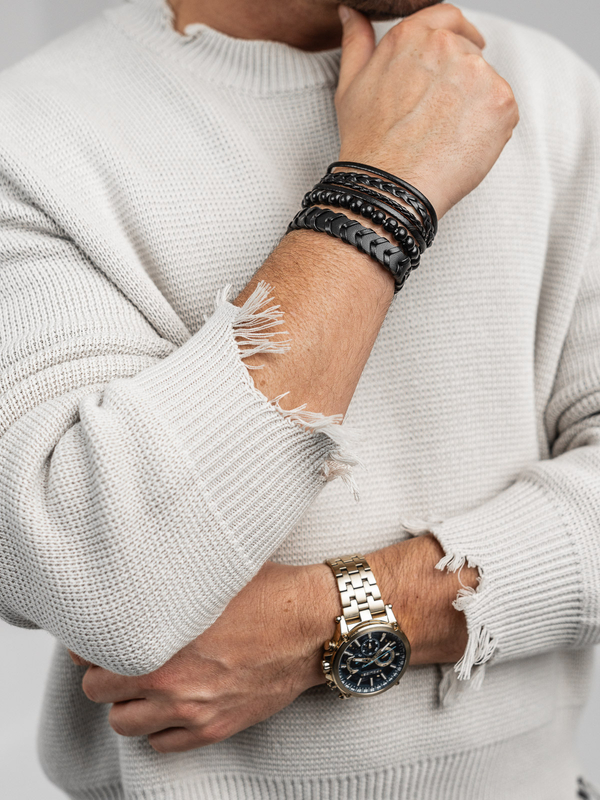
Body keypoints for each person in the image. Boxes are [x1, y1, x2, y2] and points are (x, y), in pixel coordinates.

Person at [0, 0, 599, 797]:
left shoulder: (548, 91)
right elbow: (102, 576)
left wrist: (331, 620)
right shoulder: (29, 139)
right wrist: (383, 188)